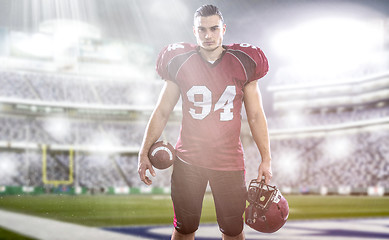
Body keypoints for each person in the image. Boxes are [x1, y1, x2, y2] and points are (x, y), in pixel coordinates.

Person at [138, 4, 272, 240]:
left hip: (229, 161)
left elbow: (255, 116)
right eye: (202, 30)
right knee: (184, 228)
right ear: (194, 31)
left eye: (213, 28)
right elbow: (161, 111)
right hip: (188, 160)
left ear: (223, 29)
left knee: (233, 230)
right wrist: (142, 153)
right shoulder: (179, 61)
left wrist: (266, 158)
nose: (208, 35)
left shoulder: (244, 61)